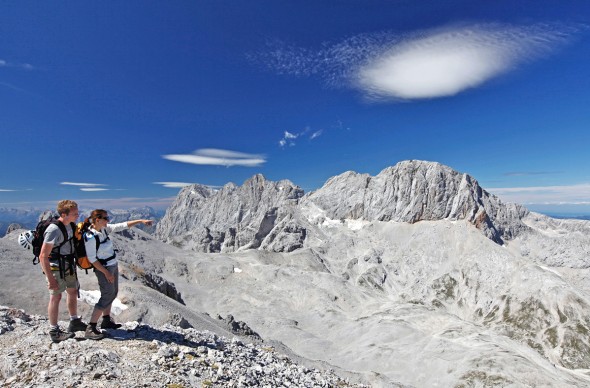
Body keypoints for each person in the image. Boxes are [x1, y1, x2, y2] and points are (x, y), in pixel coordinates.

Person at [82, 209, 153, 340]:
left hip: (112, 265)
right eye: (105, 218)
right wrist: (106, 273)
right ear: (97, 220)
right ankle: (90, 327)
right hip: (104, 269)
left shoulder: (104, 229)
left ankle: (106, 320)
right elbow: (92, 259)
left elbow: (122, 226)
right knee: (107, 295)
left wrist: (140, 221)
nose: (108, 220)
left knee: (113, 293)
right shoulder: (90, 237)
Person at [38, 199, 87, 342]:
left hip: (68, 264)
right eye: (74, 213)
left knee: (72, 291)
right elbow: (43, 256)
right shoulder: (53, 230)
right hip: (55, 266)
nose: (77, 216)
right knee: (56, 296)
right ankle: (54, 331)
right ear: (64, 214)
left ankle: (74, 322)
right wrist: (50, 279)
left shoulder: (70, 225)